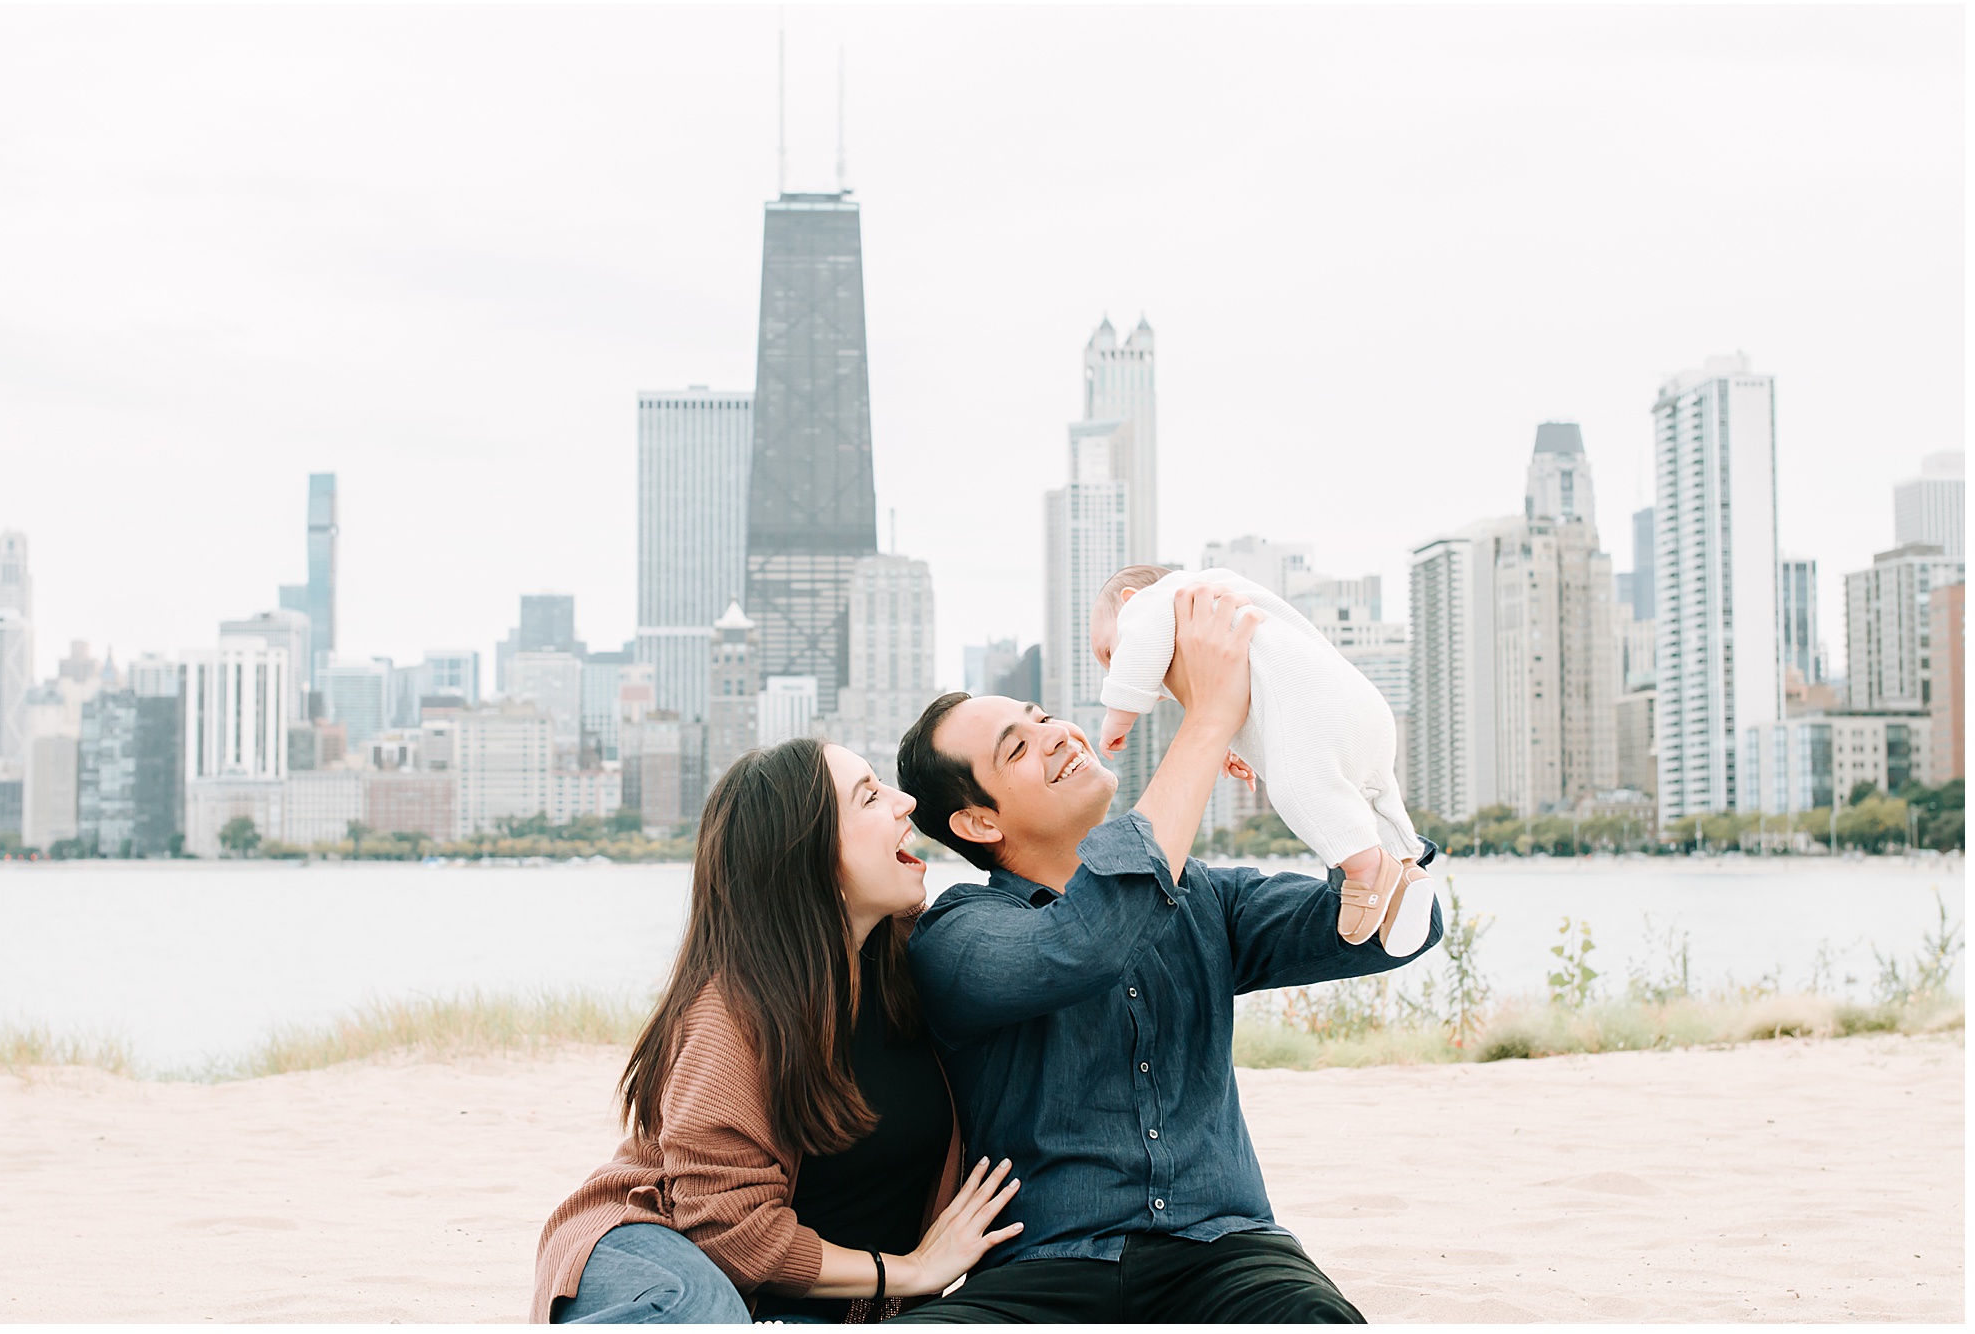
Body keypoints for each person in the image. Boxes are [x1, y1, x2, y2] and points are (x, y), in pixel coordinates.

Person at [891, 580, 1442, 1323]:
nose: (1058, 733)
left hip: (1230, 1250)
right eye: (1018, 746)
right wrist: (1209, 719)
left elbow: (1397, 932)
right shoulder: (956, 935)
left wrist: (1296, 751)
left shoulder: (1207, 898)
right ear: (977, 822)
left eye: (1045, 716)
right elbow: (1082, 946)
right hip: (1046, 1266)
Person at [531, 739, 1023, 1323]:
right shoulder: (736, 1011)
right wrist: (910, 1269)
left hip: (796, 1306)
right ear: (810, 859)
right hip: (654, 1250)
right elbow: (725, 1230)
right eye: (868, 797)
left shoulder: (922, 961)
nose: (904, 802)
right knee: (703, 1310)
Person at [1094, 564, 1433, 956]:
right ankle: (1404, 860)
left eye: (1108, 653)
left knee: (1298, 790)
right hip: (1364, 707)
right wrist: (1231, 745)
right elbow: (1258, 687)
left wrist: (1119, 711)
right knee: (1375, 791)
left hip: (1318, 712)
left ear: (1130, 602)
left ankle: (1367, 870)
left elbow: (1139, 650)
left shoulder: (1159, 602)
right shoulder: (1230, 604)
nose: (1112, 666)